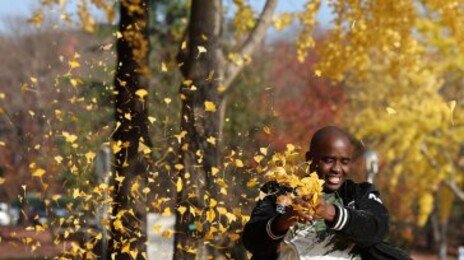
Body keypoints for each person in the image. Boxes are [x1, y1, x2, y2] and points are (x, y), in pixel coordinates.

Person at [242, 126, 410, 259]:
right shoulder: (278, 193)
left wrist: (332, 213)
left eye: (344, 162)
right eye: (328, 160)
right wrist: (284, 220)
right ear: (309, 159)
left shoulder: (359, 194)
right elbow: (251, 240)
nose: (337, 169)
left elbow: (378, 227)